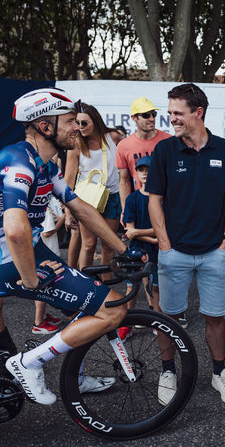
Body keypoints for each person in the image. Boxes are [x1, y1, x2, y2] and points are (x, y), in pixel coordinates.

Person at [0, 88, 143, 404]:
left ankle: (71, 377)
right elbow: (15, 230)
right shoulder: (19, 161)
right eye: (69, 121)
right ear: (45, 127)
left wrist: (122, 248)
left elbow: (80, 208)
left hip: (24, 252)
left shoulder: (46, 165)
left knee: (84, 304)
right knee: (113, 308)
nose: (77, 127)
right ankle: (29, 363)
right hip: (11, 258)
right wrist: (32, 278)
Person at [147, 83, 225, 405]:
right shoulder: (164, 150)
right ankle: (167, 371)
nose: (171, 118)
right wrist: (164, 245)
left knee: (215, 317)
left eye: (178, 113)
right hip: (174, 252)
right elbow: (155, 200)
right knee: (168, 317)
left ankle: (219, 372)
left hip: (215, 252)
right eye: (170, 112)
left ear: (198, 113)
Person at [65, 102, 123, 277]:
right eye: (77, 123)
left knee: (108, 245)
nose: (80, 127)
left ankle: (105, 286)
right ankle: (87, 284)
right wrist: (68, 212)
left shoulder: (112, 137)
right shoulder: (76, 144)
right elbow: (68, 179)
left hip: (111, 195)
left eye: (84, 123)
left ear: (96, 122)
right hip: (87, 199)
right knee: (89, 245)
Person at [118, 155, 159, 341]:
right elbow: (129, 231)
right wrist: (152, 238)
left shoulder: (161, 197)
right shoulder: (132, 199)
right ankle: (126, 324)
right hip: (137, 249)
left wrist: (139, 233)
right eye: (141, 170)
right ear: (136, 173)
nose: (145, 174)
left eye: (149, 170)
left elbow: (162, 228)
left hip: (157, 249)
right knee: (131, 286)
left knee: (155, 287)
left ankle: (158, 322)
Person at [115, 96, 171, 216]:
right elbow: (124, 181)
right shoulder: (124, 145)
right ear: (134, 118)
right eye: (146, 115)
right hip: (140, 204)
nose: (151, 119)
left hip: (166, 202)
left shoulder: (168, 141)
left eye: (154, 114)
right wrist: (125, 209)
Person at [32, 196, 65, 335]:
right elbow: (46, 232)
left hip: (43, 251)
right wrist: (61, 220)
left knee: (44, 284)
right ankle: (38, 323)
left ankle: (43, 316)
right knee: (43, 286)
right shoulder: (44, 205)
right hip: (46, 252)